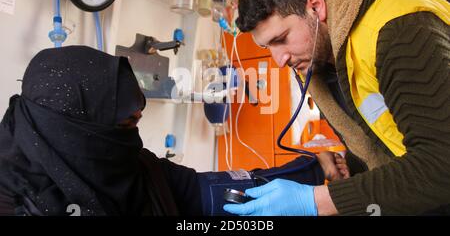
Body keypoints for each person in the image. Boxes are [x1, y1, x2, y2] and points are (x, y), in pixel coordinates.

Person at [0, 45, 348, 216]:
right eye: (122, 126)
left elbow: (216, 193)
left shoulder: (131, 168)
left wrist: (313, 170)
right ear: (78, 131)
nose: (131, 140)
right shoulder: (18, 204)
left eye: (135, 123)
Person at [223, 0, 450, 216]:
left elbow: (442, 162)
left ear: (315, 7)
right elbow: (377, 140)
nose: (279, 59)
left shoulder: (399, 30)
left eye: (281, 38)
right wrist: (349, 163)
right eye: (268, 47)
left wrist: (315, 200)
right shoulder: (321, 64)